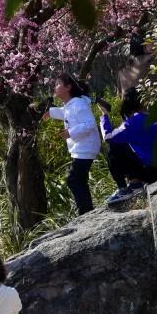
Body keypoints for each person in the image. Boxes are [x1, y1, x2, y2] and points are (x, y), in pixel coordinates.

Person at [44, 73, 101, 215]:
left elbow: (90, 124)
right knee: (78, 179)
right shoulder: (71, 104)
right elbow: (64, 112)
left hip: (85, 147)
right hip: (82, 147)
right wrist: (48, 112)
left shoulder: (78, 103)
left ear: (68, 87)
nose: (54, 87)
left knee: (74, 179)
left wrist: (71, 132)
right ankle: (86, 210)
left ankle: (86, 211)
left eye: (58, 84)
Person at [99, 87, 157, 203]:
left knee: (115, 147)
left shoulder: (134, 122)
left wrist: (104, 115)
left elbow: (108, 137)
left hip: (150, 172)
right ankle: (135, 184)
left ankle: (125, 189)